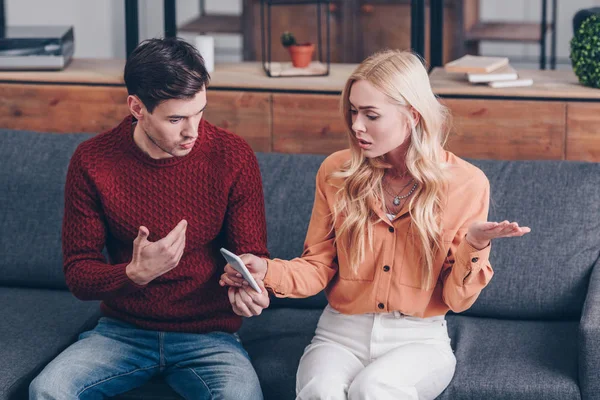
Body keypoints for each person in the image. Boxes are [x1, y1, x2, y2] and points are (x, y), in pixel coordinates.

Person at [220, 50, 531, 400]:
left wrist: (474, 245)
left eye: (371, 115)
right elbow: (318, 267)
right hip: (339, 334)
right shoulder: (337, 173)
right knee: (320, 390)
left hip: (419, 340)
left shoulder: (467, 183)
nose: (356, 126)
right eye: (353, 111)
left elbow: (457, 300)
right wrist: (264, 271)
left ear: (411, 116)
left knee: (376, 389)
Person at [29, 37, 269, 400]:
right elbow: (78, 274)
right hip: (122, 331)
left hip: (208, 335)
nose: (193, 131)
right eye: (176, 119)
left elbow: (252, 253)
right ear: (137, 107)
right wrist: (133, 273)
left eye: (199, 112)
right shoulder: (92, 161)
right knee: (48, 390)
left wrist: (249, 285)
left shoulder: (233, 156)